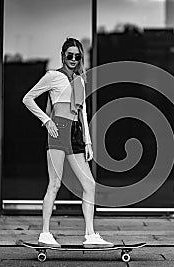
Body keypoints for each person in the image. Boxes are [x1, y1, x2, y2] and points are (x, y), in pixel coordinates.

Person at [22, 37, 113, 248]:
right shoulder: (53, 76)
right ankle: (45, 233)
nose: (73, 59)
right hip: (58, 132)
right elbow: (28, 98)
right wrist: (46, 121)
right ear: (63, 55)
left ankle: (90, 234)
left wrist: (88, 142)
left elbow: (83, 113)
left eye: (77, 56)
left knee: (89, 185)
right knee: (54, 184)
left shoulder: (80, 80)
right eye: (69, 55)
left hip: (76, 135)